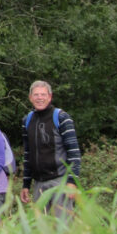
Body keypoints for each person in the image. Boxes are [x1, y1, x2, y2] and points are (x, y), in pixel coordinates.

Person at [20, 80, 81, 215]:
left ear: (50, 97)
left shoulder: (61, 117)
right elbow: (28, 154)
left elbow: (74, 152)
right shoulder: (27, 121)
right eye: (36, 95)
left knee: (63, 225)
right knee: (41, 225)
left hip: (60, 181)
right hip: (38, 184)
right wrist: (26, 184)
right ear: (30, 98)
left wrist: (72, 181)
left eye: (43, 94)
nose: (39, 98)